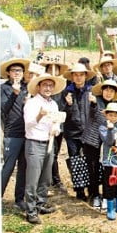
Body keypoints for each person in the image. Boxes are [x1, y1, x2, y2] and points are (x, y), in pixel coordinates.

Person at [23, 74, 66, 224]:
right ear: (39, 87)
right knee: (32, 179)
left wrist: (56, 130)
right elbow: (28, 124)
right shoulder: (32, 103)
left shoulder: (53, 104)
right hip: (34, 143)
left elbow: (57, 122)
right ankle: (30, 210)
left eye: (50, 86)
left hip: (49, 142)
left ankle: (40, 204)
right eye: (45, 85)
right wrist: (39, 116)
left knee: (46, 177)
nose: (48, 88)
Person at [81, 79, 117, 209]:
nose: (108, 93)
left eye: (111, 91)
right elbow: (93, 111)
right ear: (102, 91)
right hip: (93, 141)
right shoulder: (96, 101)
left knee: (108, 170)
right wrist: (94, 104)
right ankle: (95, 195)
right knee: (93, 170)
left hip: (108, 142)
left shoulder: (114, 106)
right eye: (106, 90)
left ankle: (109, 196)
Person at [61, 63, 95, 201]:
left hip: (88, 131)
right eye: (76, 75)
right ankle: (80, 190)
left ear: (86, 76)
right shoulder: (66, 92)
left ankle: (92, 190)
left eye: (81, 75)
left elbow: (97, 112)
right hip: (72, 132)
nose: (79, 77)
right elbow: (62, 114)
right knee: (75, 160)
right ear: (72, 77)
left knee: (90, 161)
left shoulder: (91, 91)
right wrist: (68, 105)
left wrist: (94, 104)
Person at [0, 58, 30, 210]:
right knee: (8, 167)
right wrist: (14, 93)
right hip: (12, 134)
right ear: (8, 73)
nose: (17, 73)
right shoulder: (4, 88)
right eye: (14, 70)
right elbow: (3, 109)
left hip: (27, 133)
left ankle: (19, 199)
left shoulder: (27, 87)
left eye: (19, 70)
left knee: (23, 168)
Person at [41, 61, 69, 194]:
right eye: (50, 69)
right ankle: (53, 180)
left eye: (56, 69)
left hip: (58, 125)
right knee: (48, 153)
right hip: (44, 126)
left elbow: (64, 106)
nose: (53, 71)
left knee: (55, 154)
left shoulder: (62, 88)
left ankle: (54, 179)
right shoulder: (42, 88)